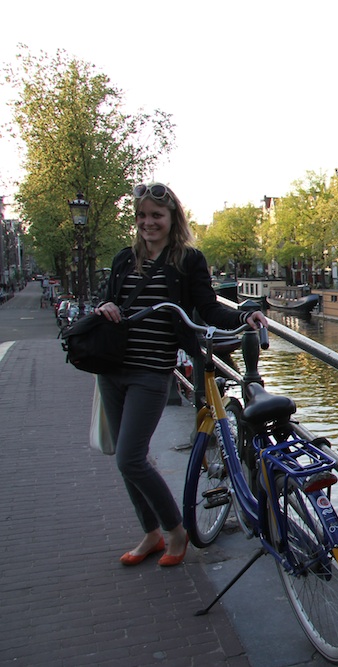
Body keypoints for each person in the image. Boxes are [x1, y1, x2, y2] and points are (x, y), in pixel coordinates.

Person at [94, 182, 267, 567]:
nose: (148, 223)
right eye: (142, 216)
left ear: (173, 218)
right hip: (113, 368)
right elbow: (107, 300)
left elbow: (207, 307)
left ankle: (175, 532)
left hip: (151, 371)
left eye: (156, 215)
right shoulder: (124, 259)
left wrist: (243, 316)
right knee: (127, 457)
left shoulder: (188, 260)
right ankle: (151, 532)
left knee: (130, 458)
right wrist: (104, 306)